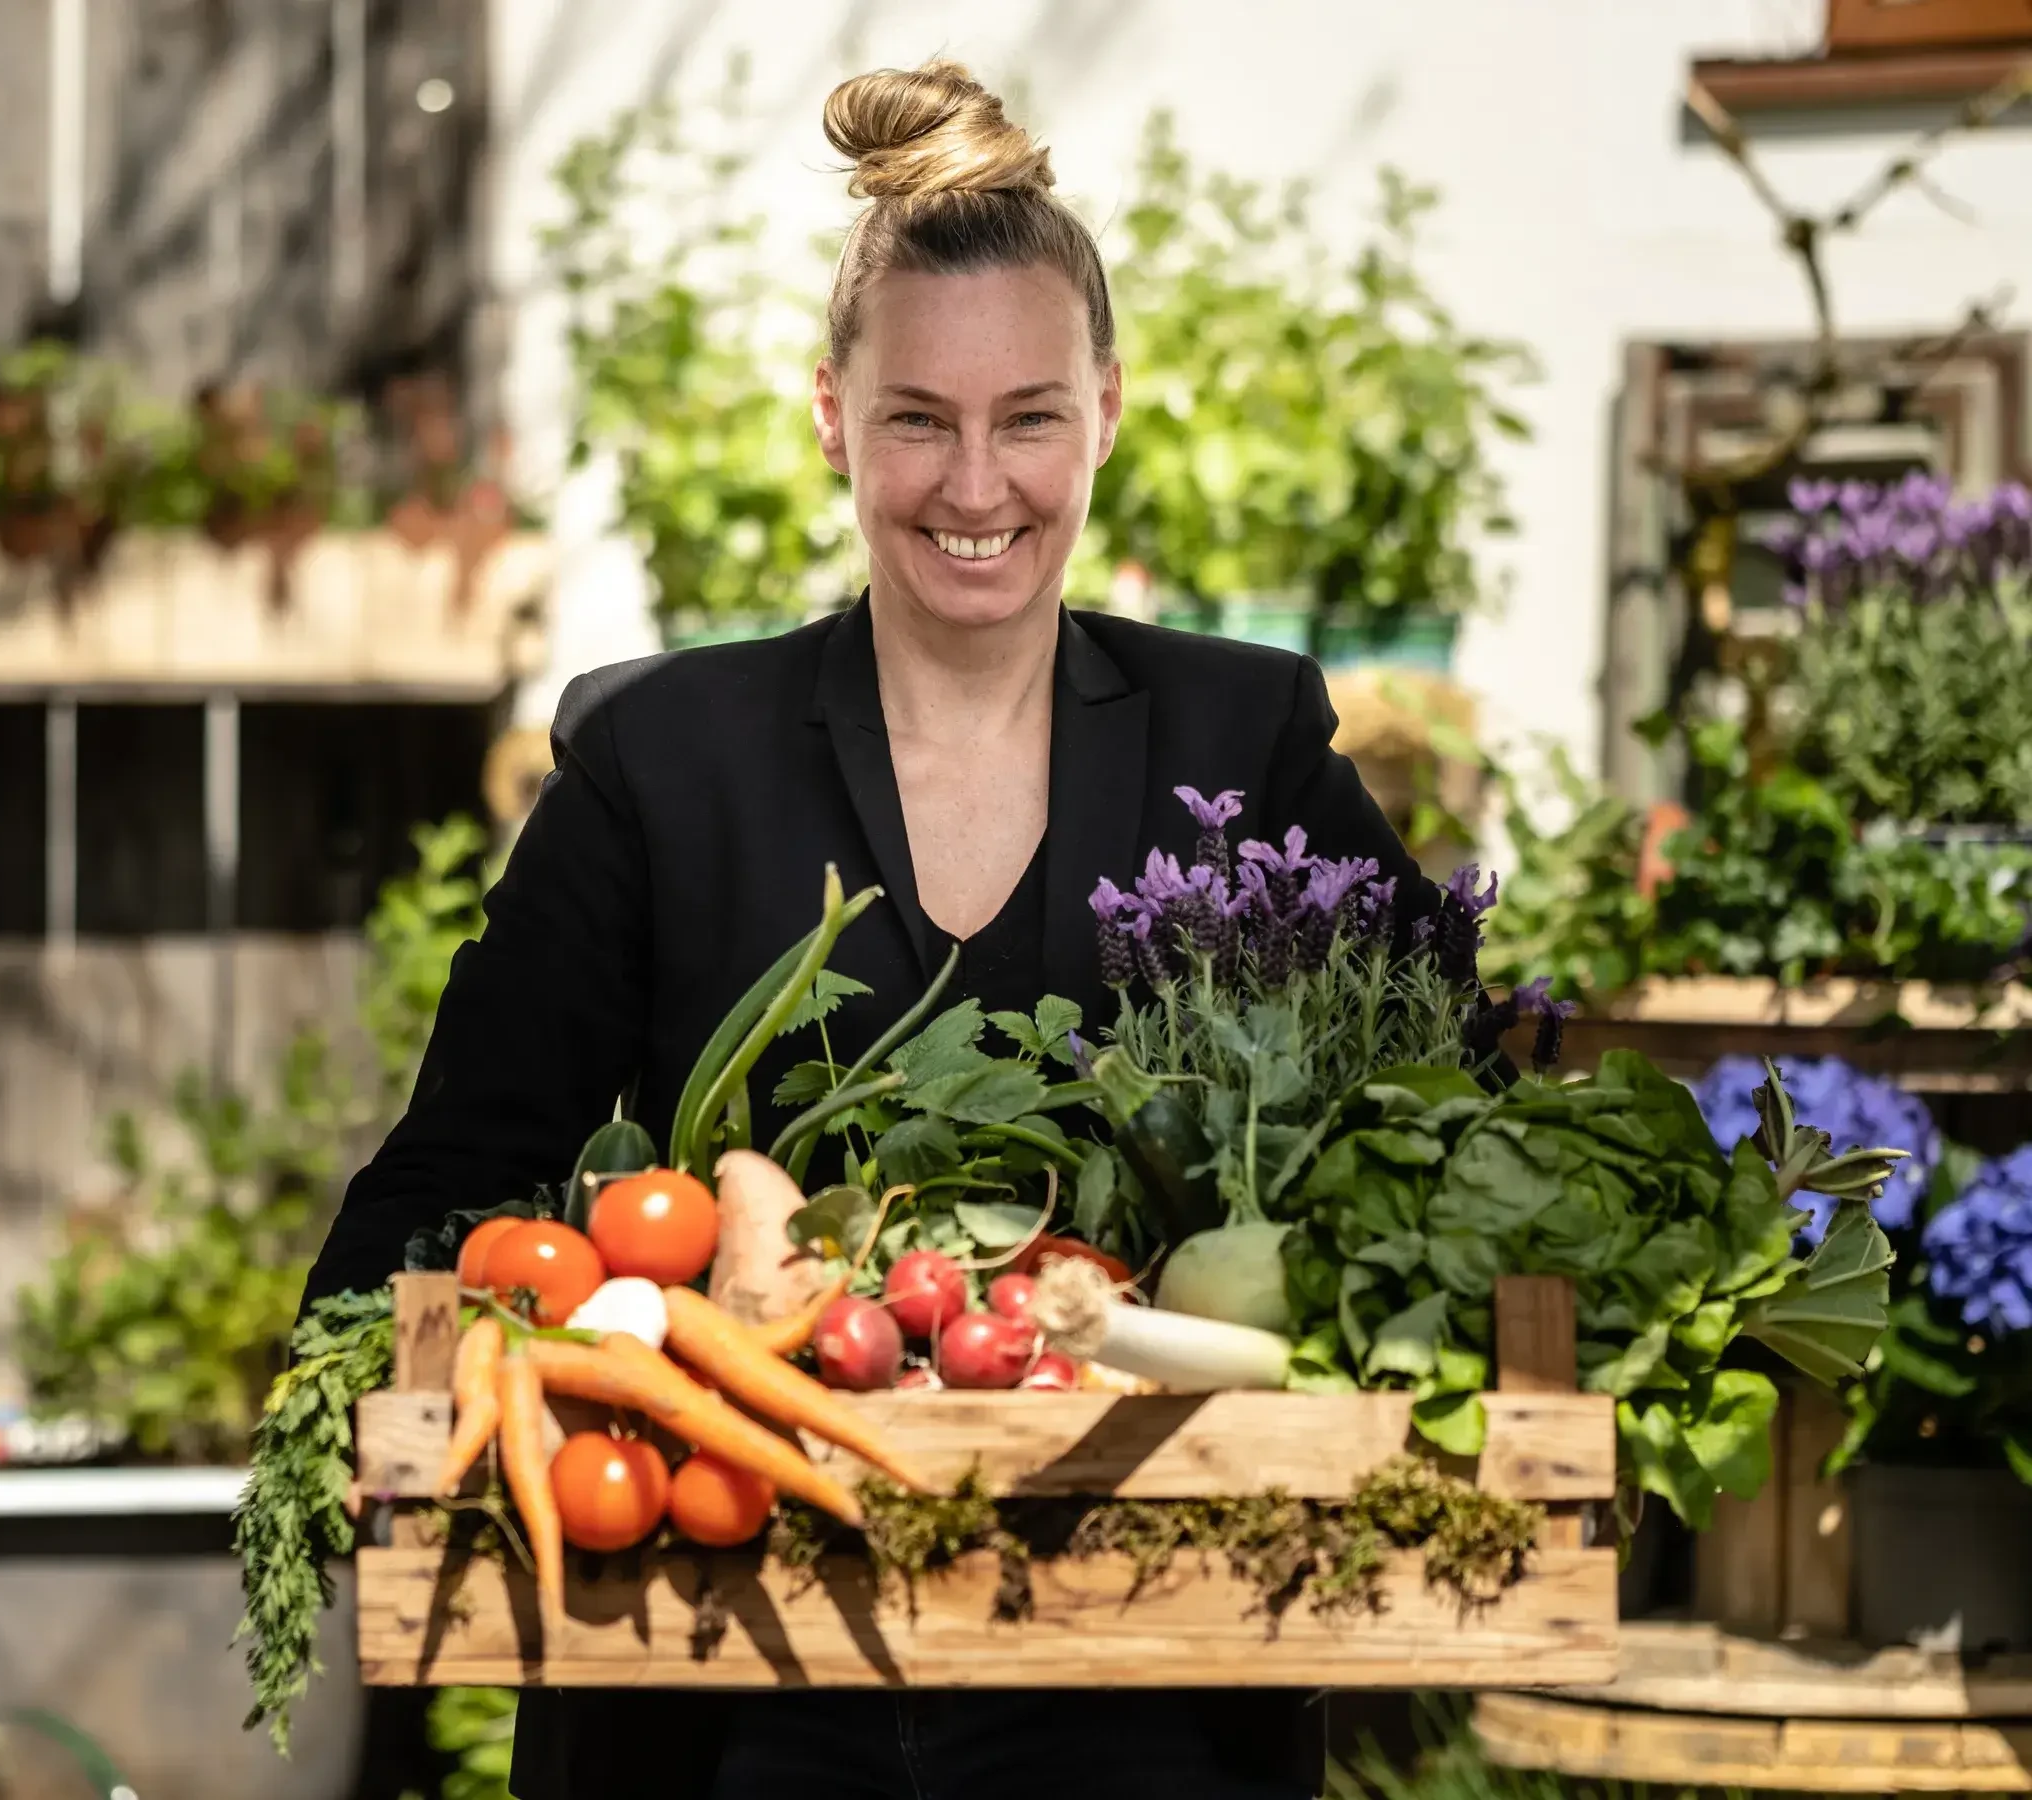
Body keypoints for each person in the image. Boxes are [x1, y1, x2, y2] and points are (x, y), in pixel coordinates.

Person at [302, 58, 1428, 1800]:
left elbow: (1438, 1113)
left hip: (1140, 1697)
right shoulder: (657, 766)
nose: (976, 483)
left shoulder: (1243, 744)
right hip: (719, 1697)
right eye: (919, 418)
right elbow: (443, 1189)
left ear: (1108, 413)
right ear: (832, 414)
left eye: (1029, 417)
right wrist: (387, 1401)